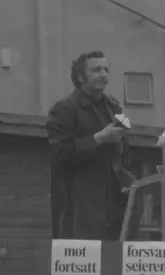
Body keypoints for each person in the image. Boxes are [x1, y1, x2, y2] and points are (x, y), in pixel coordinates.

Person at [46, 51, 136, 241]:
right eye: (96, 70)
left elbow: (124, 152)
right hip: (80, 205)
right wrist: (98, 138)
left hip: (115, 201)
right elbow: (60, 154)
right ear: (80, 77)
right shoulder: (65, 109)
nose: (104, 74)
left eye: (106, 69)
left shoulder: (113, 107)